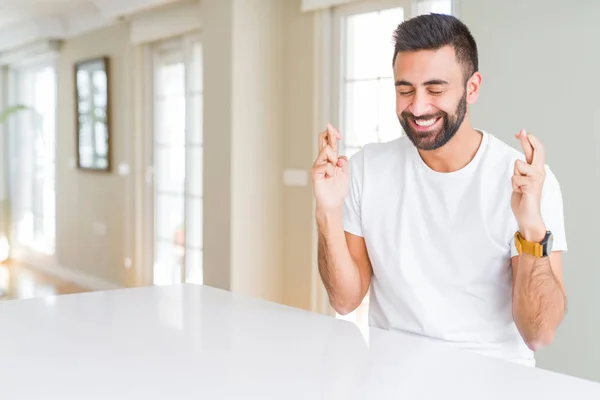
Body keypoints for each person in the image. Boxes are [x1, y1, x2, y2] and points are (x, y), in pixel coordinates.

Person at [311, 13, 567, 367]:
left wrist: (531, 228)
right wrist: (327, 210)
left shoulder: (527, 182)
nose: (417, 107)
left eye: (435, 89)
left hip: (492, 383)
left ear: (472, 87)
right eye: (405, 90)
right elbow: (344, 301)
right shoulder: (367, 169)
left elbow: (539, 334)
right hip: (391, 381)